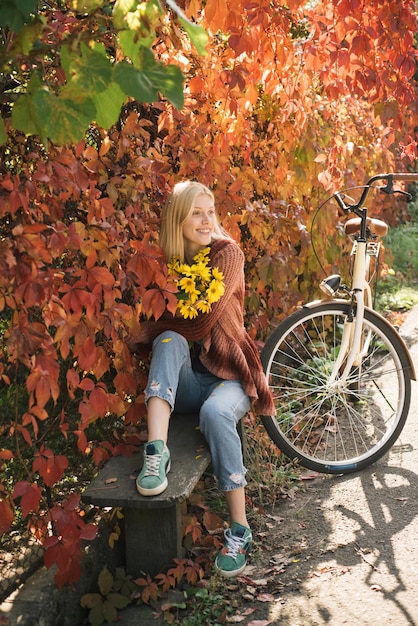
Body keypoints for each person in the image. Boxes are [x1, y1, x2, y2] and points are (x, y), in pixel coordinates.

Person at [128, 180, 275, 578]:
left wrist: (149, 330)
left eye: (210, 211)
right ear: (178, 219)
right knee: (170, 338)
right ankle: (155, 453)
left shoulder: (228, 254)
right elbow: (168, 329)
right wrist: (156, 330)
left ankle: (239, 529)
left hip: (230, 377)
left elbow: (204, 319)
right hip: (189, 383)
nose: (207, 220)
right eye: (197, 212)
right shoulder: (166, 267)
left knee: (214, 412)